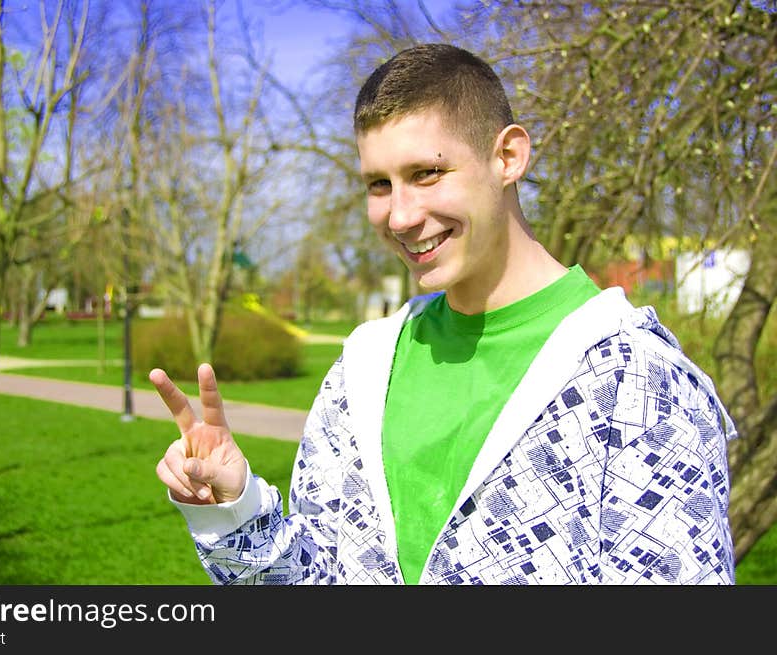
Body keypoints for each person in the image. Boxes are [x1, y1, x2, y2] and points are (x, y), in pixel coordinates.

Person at [151, 43, 737, 585]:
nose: (400, 216)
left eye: (426, 173)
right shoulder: (366, 366)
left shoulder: (639, 380)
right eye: (379, 183)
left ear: (507, 156)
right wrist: (236, 511)